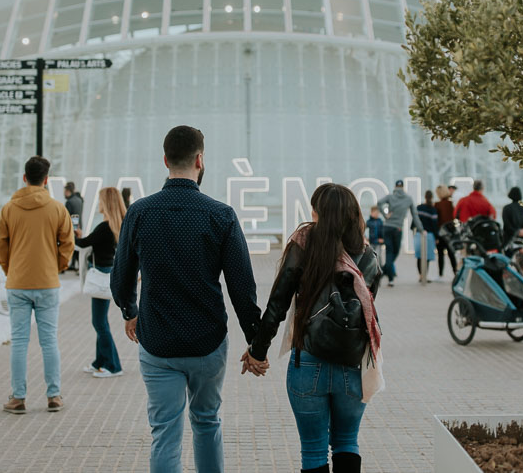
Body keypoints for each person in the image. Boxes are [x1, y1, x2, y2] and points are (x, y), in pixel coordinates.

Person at [111, 125, 262, 473]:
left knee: (165, 432)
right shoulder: (220, 214)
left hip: (158, 343)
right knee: (207, 422)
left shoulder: (139, 212)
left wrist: (129, 311)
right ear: (200, 160)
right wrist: (256, 343)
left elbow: (120, 279)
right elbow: (242, 287)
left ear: (165, 160)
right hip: (208, 343)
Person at [243, 183, 383, 473]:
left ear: (318, 213)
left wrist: (258, 351)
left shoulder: (304, 244)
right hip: (353, 364)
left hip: (307, 361)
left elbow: (277, 304)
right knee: (346, 442)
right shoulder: (367, 255)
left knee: (314, 449)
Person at [0, 156, 75, 414]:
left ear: (25, 178)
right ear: (46, 180)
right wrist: (56, 266)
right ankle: (54, 396)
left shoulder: (9, 209)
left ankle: (18, 398)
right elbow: (68, 245)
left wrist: (10, 268)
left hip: (17, 282)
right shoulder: (57, 209)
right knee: (49, 341)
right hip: (48, 282)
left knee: (18, 341)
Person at [74, 187, 126, 377]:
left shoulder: (104, 227)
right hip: (108, 272)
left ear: (106, 203)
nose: (98, 204)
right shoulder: (116, 225)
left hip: (101, 274)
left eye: (100, 200)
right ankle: (99, 361)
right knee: (100, 320)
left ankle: (113, 365)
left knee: (99, 322)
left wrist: (74, 236)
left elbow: (83, 244)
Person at [375, 180, 414, 288]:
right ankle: (390, 278)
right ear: (403, 187)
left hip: (387, 227)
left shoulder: (390, 197)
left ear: (395, 187)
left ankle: (383, 271)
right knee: (394, 251)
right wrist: (420, 229)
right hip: (397, 228)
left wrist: (385, 215)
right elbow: (414, 215)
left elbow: (379, 203)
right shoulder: (408, 198)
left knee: (389, 252)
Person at [433, 185, 457, 277]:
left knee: (440, 255)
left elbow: (436, 221)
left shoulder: (437, 205)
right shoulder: (451, 204)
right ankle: (455, 272)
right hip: (450, 233)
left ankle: (440, 274)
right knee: (451, 254)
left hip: (440, 232)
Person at [415, 190, 439, 281]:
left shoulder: (419, 207)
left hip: (419, 233)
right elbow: (434, 224)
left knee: (419, 256)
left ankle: (421, 275)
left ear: (424, 197)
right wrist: (436, 237)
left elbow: (415, 221)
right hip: (429, 234)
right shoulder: (432, 209)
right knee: (427, 257)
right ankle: (424, 275)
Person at [64, 181, 85, 272]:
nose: (64, 193)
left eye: (65, 191)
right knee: (76, 245)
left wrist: (74, 228)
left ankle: (77, 265)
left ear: (68, 191)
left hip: (74, 226)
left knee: (73, 245)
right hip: (79, 225)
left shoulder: (69, 202)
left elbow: (70, 216)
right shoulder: (79, 200)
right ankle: (75, 264)